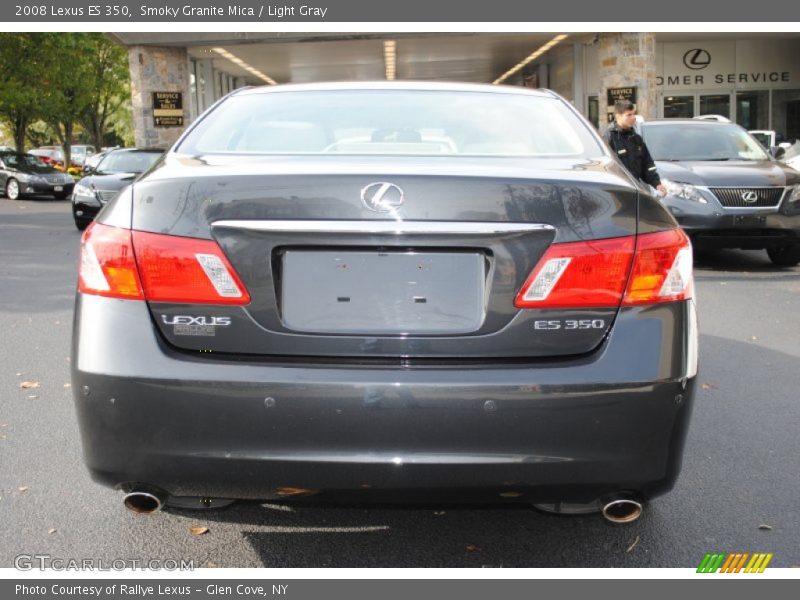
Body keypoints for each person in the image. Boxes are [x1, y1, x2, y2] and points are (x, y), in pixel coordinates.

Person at [603, 100, 666, 196]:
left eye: (634, 114)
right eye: (629, 115)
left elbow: (648, 165)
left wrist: (657, 184)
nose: (633, 118)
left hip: (636, 191)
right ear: (618, 116)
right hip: (617, 192)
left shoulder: (636, 139)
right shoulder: (609, 138)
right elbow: (606, 168)